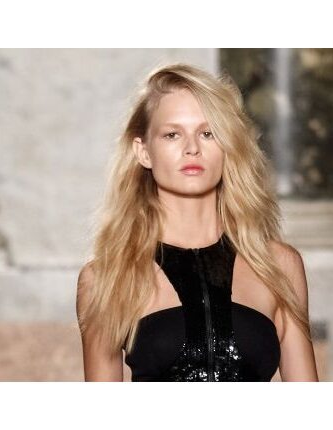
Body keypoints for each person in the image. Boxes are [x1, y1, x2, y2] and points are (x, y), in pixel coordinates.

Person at [76, 62, 319, 382]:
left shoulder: (279, 265)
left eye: (208, 133)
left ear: (227, 147)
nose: (192, 148)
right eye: (172, 134)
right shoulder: (105, 278)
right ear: (143, 151)